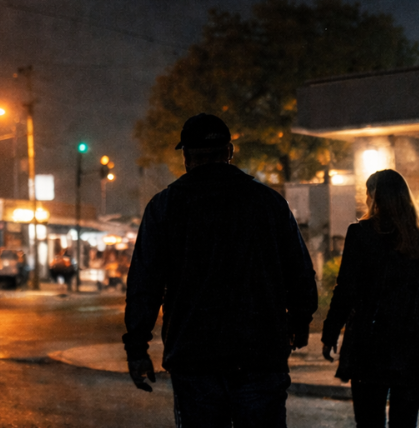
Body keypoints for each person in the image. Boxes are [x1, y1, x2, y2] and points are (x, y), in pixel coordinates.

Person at [123, 113, 317, 428]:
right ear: (230, 151)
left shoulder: (165, 207)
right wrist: (299, 321)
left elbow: (145, 284)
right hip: (260, 353)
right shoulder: (268, 203)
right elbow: (299, 272)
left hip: (194, 356)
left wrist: (137, 348)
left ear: (186, 157)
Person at [321, 170, 419, 428]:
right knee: (405, 422)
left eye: (367, 193)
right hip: (413, 344)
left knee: (369, 420)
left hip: (369, 342)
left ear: (375, 197)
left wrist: (330, 333)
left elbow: (345, 290)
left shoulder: (360, 234)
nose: (366, 199)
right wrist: (412, 306)